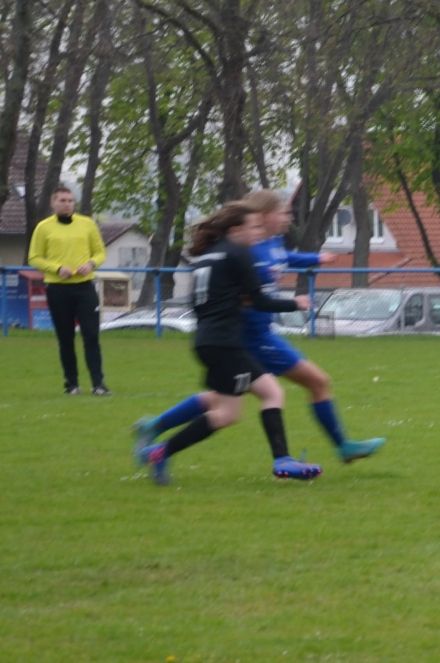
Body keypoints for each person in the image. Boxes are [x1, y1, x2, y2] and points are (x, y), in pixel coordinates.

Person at [132, 193, 324, 486]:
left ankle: (159, 446)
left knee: (227, 408)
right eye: (254, 228)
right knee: (260, 398)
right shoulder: (238, 253)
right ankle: (281, 460)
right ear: (236, 230)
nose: (258, 233)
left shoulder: (205, 257)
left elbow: (203, 303)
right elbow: (260, 300)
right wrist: (295, 303)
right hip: (226, 344)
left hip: (206, 341)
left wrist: (237, 301)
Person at [238, 192, 384, 463]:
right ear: (264, 215)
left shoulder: (272, 243)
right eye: (283, 212)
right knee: (317, 382)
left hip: (261, 334)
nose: (288, 217)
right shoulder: (246, 252)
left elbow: (285, 258)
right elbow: (249, 295)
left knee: (222, 406)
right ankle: (341, 447)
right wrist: (292, 303)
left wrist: (315, 259)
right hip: (253, 337)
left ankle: (155, 430)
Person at [27, 184, 109, 395]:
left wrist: (90, 264)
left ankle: (98, 384)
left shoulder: (87, 224)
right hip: (57, 289)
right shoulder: (44, 227)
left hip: (85, 288)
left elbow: (100, 253)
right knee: (65, 338)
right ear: (53, 203)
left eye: (70, 200)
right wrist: (56, 268)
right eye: (62, 200)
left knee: (91, 336)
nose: (67, 204)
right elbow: (34, 257)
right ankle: (71, 385)